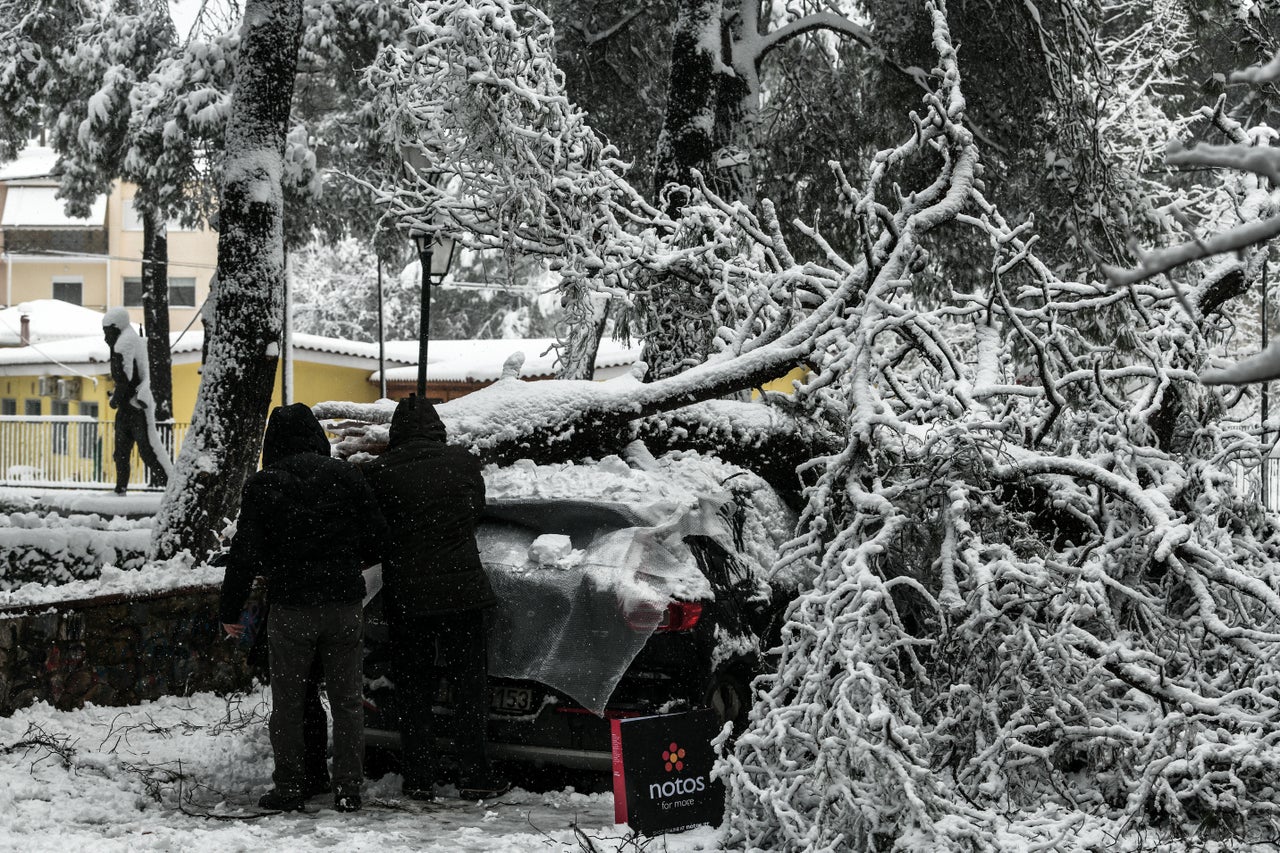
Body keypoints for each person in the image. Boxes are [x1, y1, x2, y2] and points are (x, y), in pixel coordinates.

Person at [219, 403, 387, 813]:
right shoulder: (347, 476)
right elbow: (379, 537)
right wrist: (346, 558)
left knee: (290, 702)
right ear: (316, 435)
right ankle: (348, 787)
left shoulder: (264, 485)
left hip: (293, 606)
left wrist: (230, 610)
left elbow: (244, 554)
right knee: (348, 701)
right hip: (344, 603)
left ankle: (291, 786)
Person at [363, 395, 508, 802]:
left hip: (408, 597)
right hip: (463, 593)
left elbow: (373, 533)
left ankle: (419, 777)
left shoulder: (377, 473)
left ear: (395, 432)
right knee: (469, 686)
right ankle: (475, 774)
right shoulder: (462, 462)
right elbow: (474, 509)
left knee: (414, 689)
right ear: (438, 427)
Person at [102, 308, 172, 493]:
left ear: (116, 328)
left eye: (107, 332)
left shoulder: (122, 345)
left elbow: (124, 379)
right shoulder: (134, 341)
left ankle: (171, 486)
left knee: (143, 452)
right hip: (133, 408)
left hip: (132, 409)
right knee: (132, 452)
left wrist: (114, 400)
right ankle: (122, 488)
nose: (105, 338)